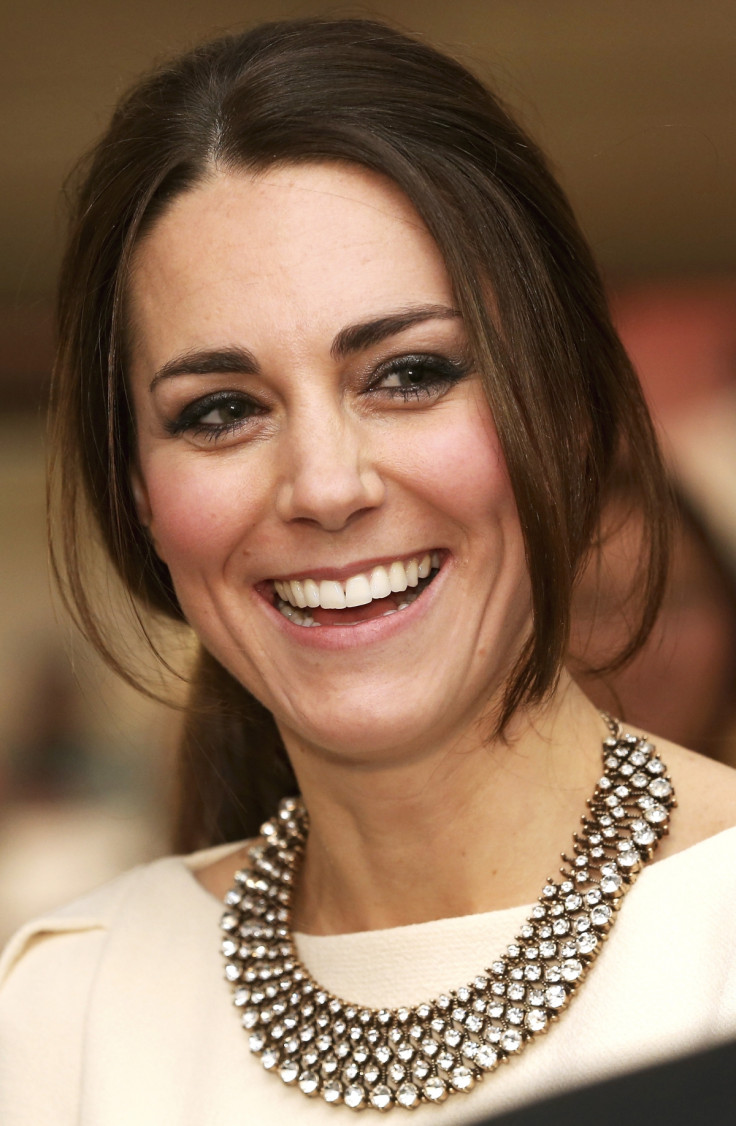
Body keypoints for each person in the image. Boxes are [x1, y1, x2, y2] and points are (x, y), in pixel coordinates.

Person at [1, 17, 735, 1124]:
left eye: (407, 373)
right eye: (221, 410)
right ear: (141, 497)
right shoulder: (66, 1007)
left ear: (572, 417)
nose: (325, 485)